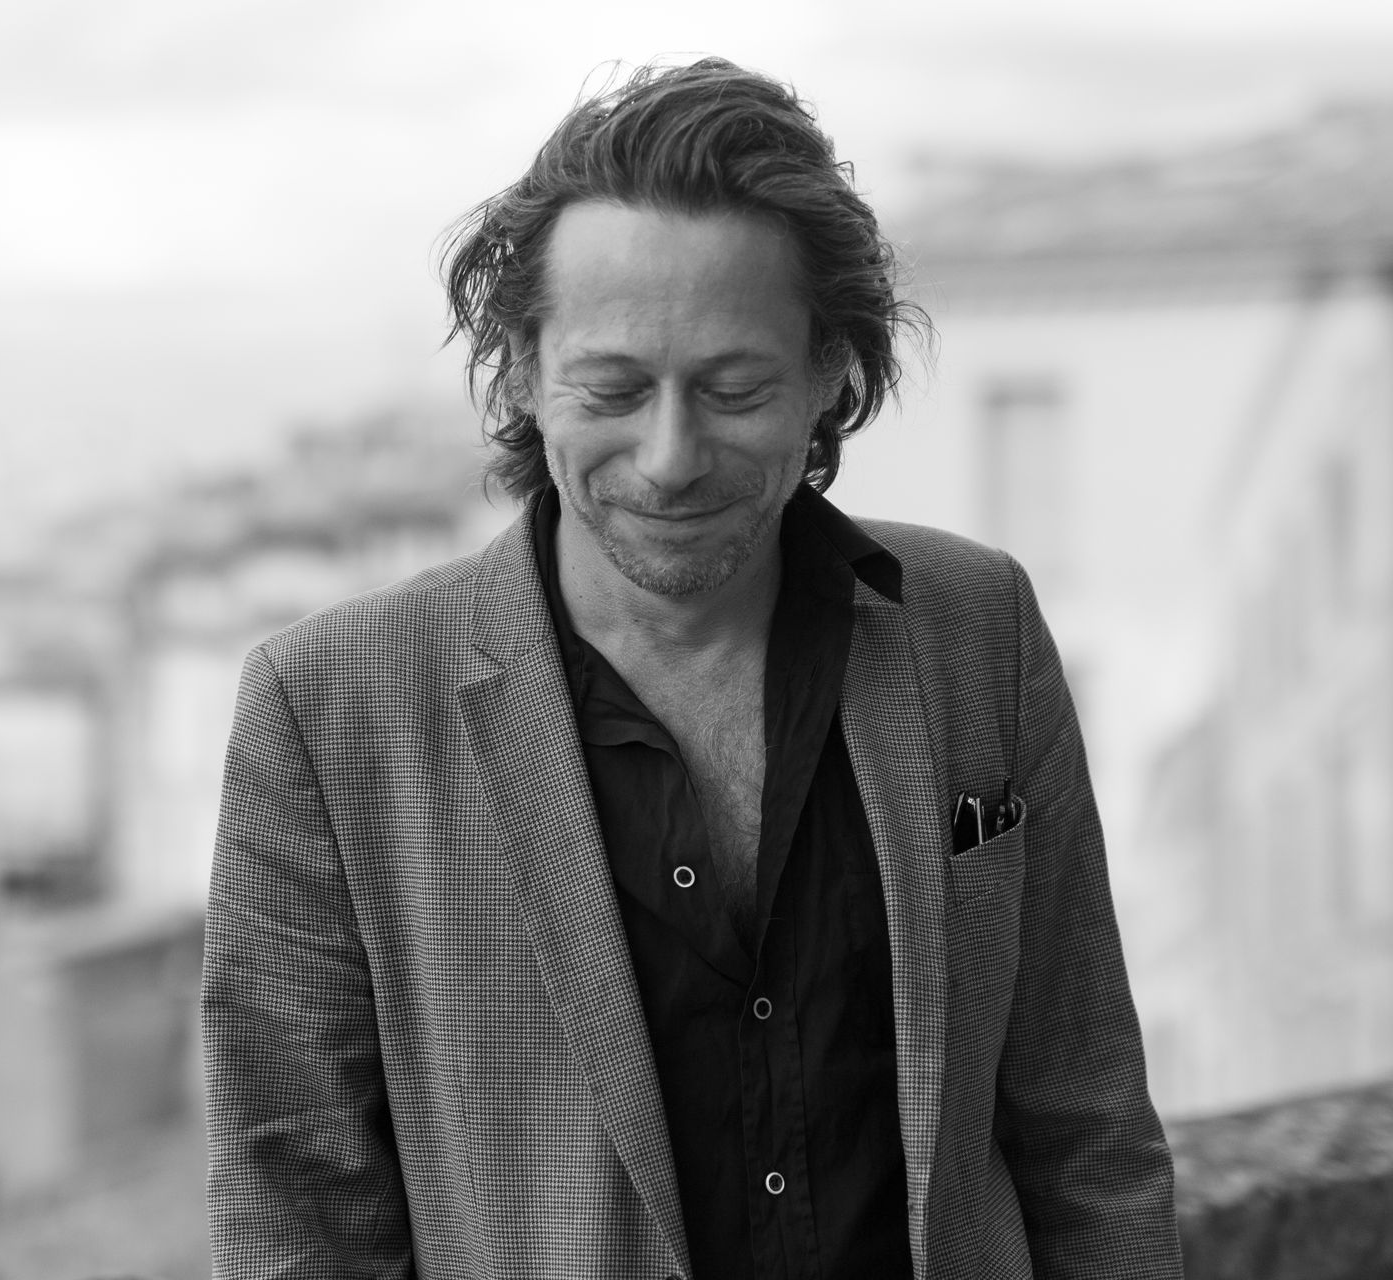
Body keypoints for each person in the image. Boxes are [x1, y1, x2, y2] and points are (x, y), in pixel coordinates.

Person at [201, 57, 1180, 1280]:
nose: (670, 457)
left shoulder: (979, 627)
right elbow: (296, 1222)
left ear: (829, 375)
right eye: (613, 387)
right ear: (520, 373)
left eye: (733, 389)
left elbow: (1089, 1135)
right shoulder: (323, 708)